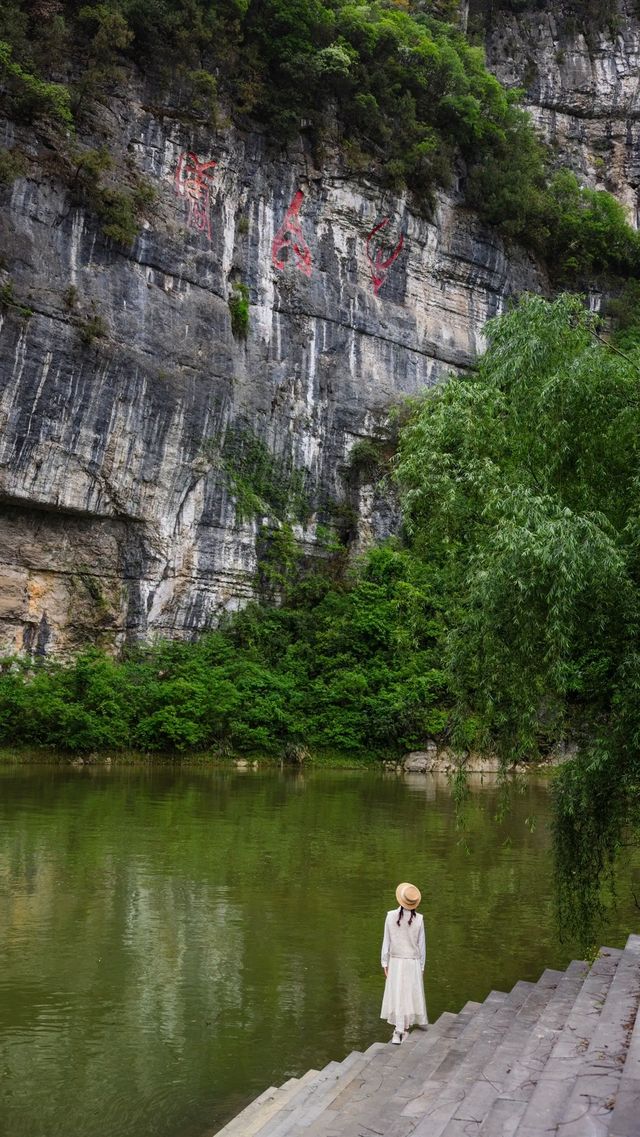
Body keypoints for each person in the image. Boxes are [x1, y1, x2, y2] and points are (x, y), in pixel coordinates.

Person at [380, 882, 428, 1044]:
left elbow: (386, 942)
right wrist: (421, 966)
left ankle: (399, 1031)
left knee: (398, 994)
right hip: (412, 962)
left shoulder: (390, 916)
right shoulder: (419, 919)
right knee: (408, 994)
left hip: (396, 960)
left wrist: (384, 963)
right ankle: (402, 1029)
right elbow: (422, 947)